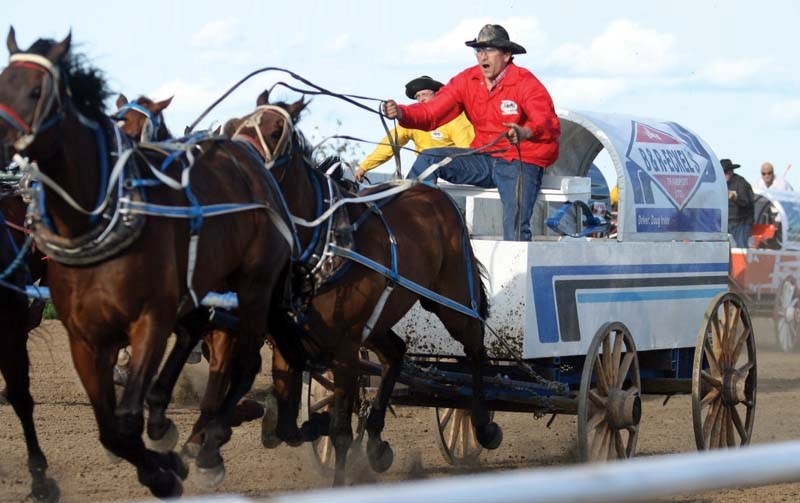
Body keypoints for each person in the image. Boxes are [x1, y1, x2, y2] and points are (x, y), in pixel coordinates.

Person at [383, 24, 561, 241]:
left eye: (489, 50)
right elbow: (431, 113)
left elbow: (547, 121)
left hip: (521, 160)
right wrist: (402, 112)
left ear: (506, 55)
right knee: (429, 159)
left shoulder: (526, 82)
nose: (482, 55)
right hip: (485, 157)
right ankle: (411, 227)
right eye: (478, 50)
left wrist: (525, 132)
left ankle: (516, 271)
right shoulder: (466, 80)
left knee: (514, 228)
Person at [354, 76, 474, 183]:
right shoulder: (414, 121)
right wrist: (364, 167)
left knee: (425, 163)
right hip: (426, 173)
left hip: (452, 173)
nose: (421, 99)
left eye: (425, 94)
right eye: (418, 96)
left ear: (438, 94)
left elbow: (467, 151)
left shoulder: (454, 118)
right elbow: (390, 144)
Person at [722, 158, 755, 248]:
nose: (725, 174)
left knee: (741, 248)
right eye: (723, 172)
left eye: (727, 172)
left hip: (741, 222)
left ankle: (743, 262)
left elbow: (746, 202)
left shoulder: (741, 183)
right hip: (727, 222)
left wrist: (734, 197)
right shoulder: (720, 184)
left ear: (731, 171)